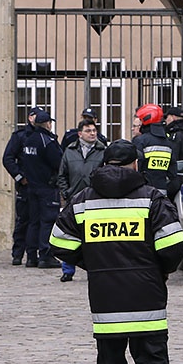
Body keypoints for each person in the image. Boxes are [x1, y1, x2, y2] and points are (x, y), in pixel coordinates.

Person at [49, 139, 183, 364]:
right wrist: (158, 271)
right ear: (136, 165)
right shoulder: (151, 198)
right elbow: (174, 245)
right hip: (146, 297)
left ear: (104, 164)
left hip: (105, 299)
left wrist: (94, 263)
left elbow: (59, 243)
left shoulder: (83, 200)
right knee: (154, 362)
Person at [5, 110, 63, 268]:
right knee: (48, 220)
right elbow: (58, 162)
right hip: (46, 186)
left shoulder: (29, 139)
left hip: (31, 186)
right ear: (47, 124)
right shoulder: (47, 141)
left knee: (33, 222)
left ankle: (31, 256)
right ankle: (45, 255)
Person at [55, 118, 106, 282]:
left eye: (94, 130)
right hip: (74, 198)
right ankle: (68, 270)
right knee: (71, 236)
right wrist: (66, 192)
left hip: (95, 199)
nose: (92, 133)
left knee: (96, 237)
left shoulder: (102, 150)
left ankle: (97, 268)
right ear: (80, 134)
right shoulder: (70, 151)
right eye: (88, 131)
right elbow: (62, 175)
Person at [3, 106, 42, 265]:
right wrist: (20, 177)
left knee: (39, 220)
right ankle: (18, 253)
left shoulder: (45, 136)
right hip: (25, 185)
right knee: (23, 220)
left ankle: (34, 253)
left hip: (40, 185)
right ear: (30, 118)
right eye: (35, 116)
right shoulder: (19, 136)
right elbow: (8, 158)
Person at [132, 104, 178, 198]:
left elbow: (136, 168)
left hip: (143, 193)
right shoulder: (168, 143)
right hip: (162, 194)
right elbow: (172, 172)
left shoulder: (140, 141)